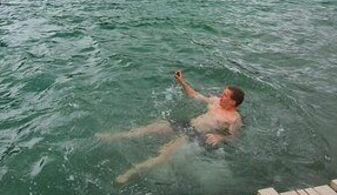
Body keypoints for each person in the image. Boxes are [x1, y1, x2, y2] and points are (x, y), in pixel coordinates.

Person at [98, 71, 244, 184]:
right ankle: (117, 137)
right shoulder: (215, 101)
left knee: (164, 154)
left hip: (196, 136)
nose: (221, 95)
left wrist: (220, 137)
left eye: (225, 95)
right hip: (187, 124)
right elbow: (195, 95)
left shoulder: (234, 119)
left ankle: (130, 173)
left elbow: (234, 138)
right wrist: (182, 82)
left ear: (233, 102)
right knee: (152, 128)